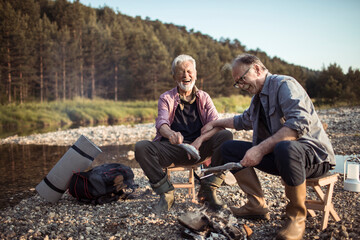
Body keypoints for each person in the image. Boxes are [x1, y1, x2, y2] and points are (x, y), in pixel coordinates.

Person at [201, 54, 335, 240]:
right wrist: (216, 123)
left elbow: (298, 125)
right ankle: (256, 206)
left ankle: (296, 217)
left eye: (242, 79)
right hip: (284, 157)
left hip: (314, 157)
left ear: (256, 69)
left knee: (285, 147)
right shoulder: (258, 98)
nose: (240, 86)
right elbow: (243, 120)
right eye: (237, 83)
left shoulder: (285, 85)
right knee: (228, 148)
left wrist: (260, 149)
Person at [135, 54, 233, 212]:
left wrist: (200, 140)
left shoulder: (204, 97)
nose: (185, 75)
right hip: (173, 149)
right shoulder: (166, 97)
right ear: (174, 76)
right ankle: (166, 194)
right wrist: (171, 134)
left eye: (189, 71)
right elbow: (161, 123)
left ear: (195, 73)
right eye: (181, 72)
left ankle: (209, 189)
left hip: (199, 150)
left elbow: (217, 124)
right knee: (141, 147)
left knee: (226, 136)